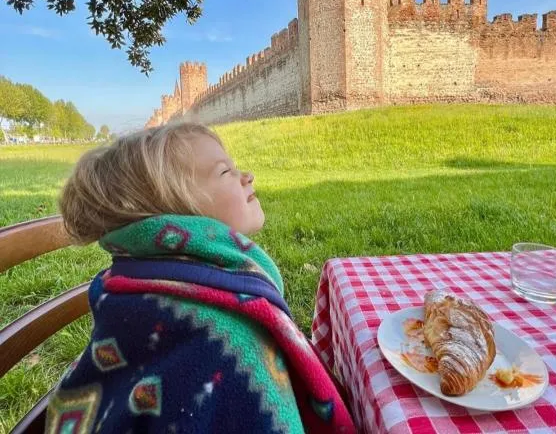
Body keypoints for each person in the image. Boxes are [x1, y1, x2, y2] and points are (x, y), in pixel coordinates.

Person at [45, 121, 355, 433]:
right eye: (224, 172)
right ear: (177, 211)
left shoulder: (136, 281)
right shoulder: (233, 339)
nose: (247, 177)